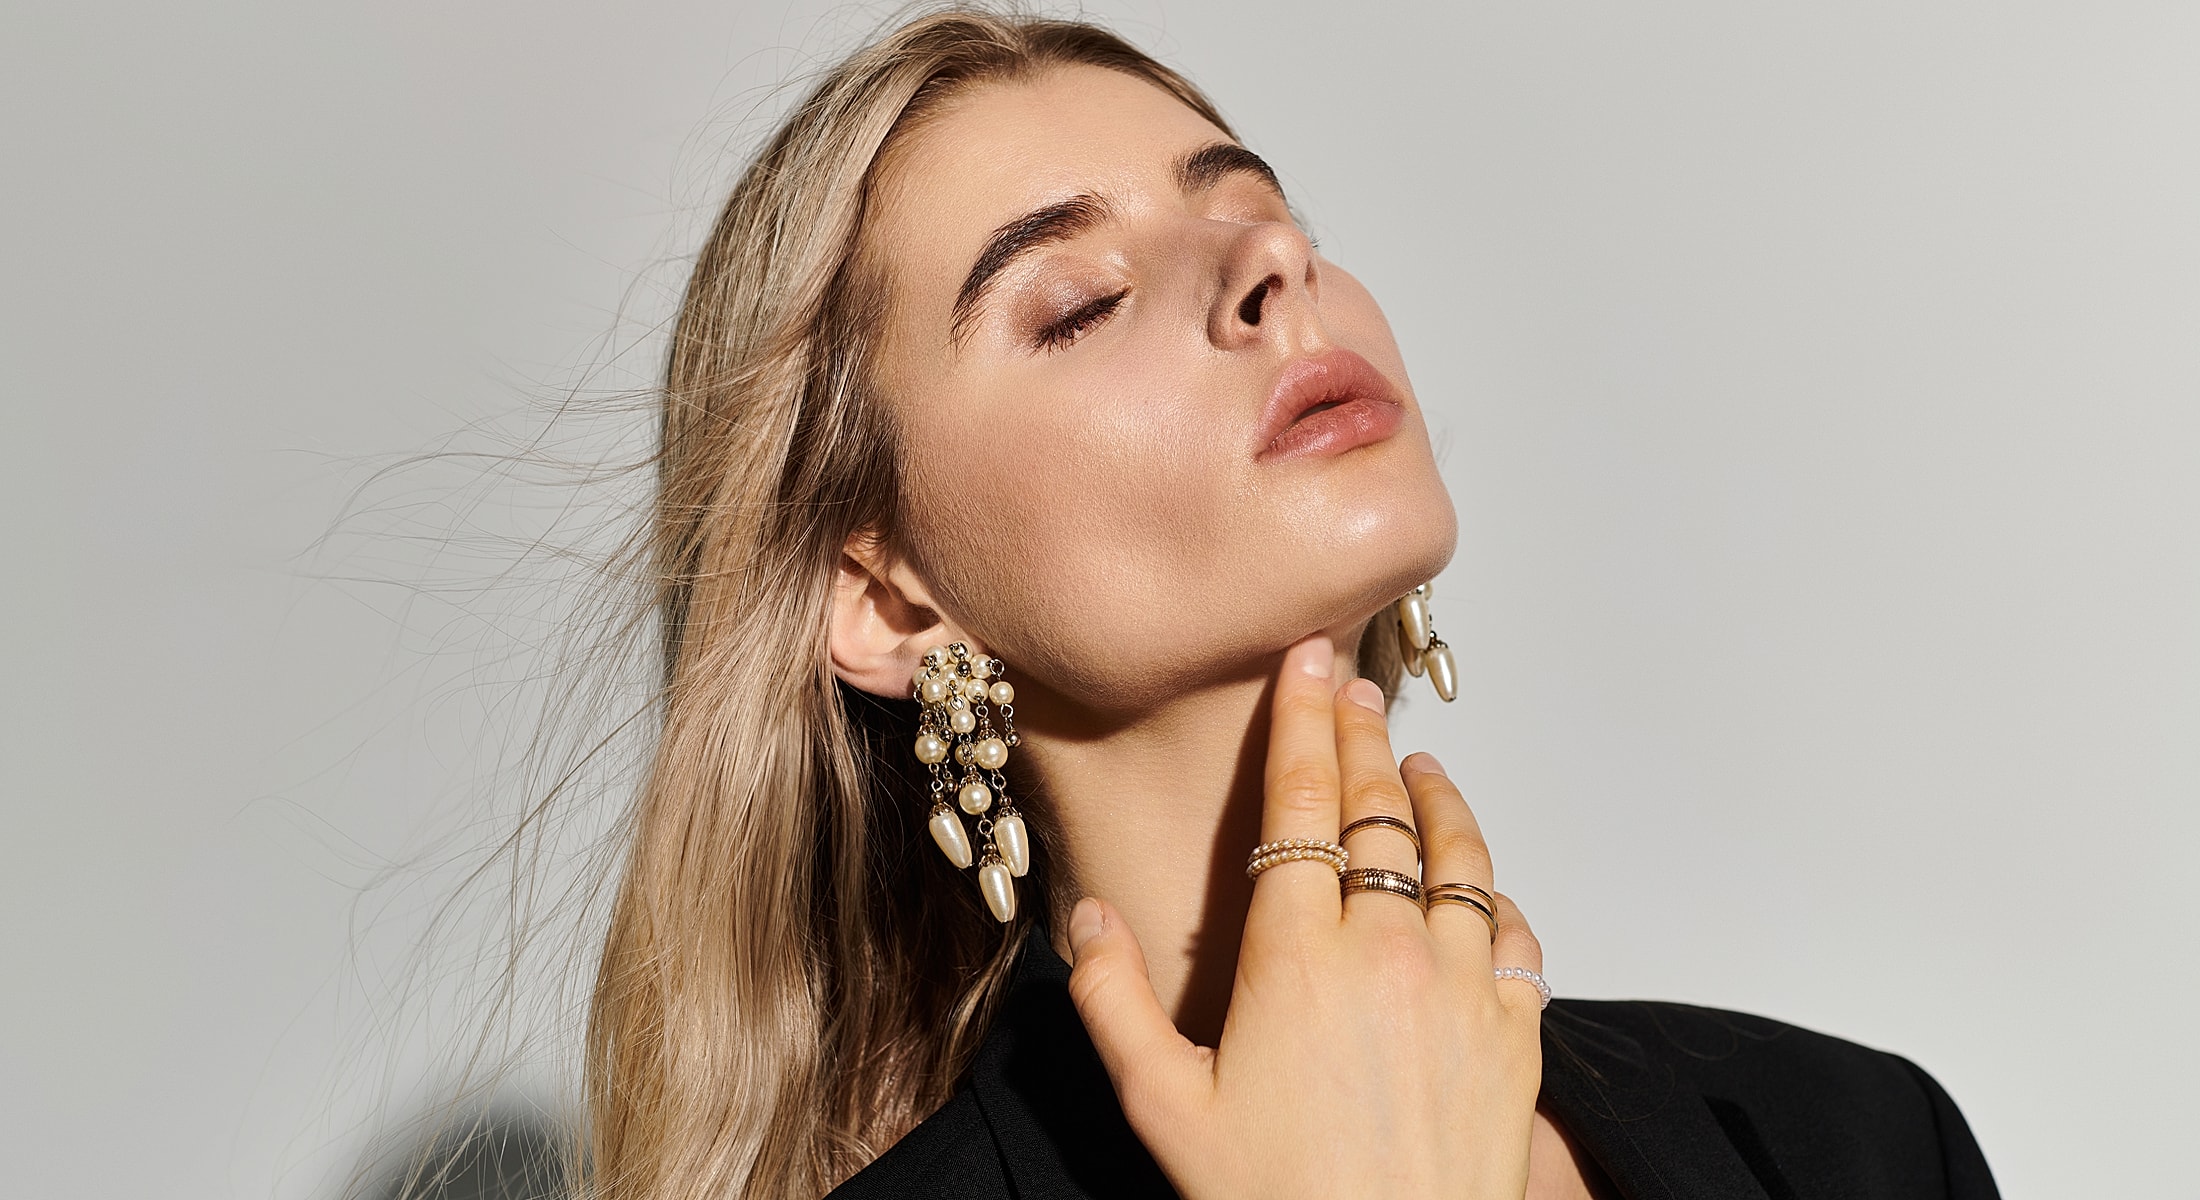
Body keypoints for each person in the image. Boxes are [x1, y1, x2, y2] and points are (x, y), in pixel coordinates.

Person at [585, 8, 2001, 1199]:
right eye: (1079, 301)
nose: (1273, 271)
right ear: (886, 599)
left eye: (1264, 215)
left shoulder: (1850, 1143)